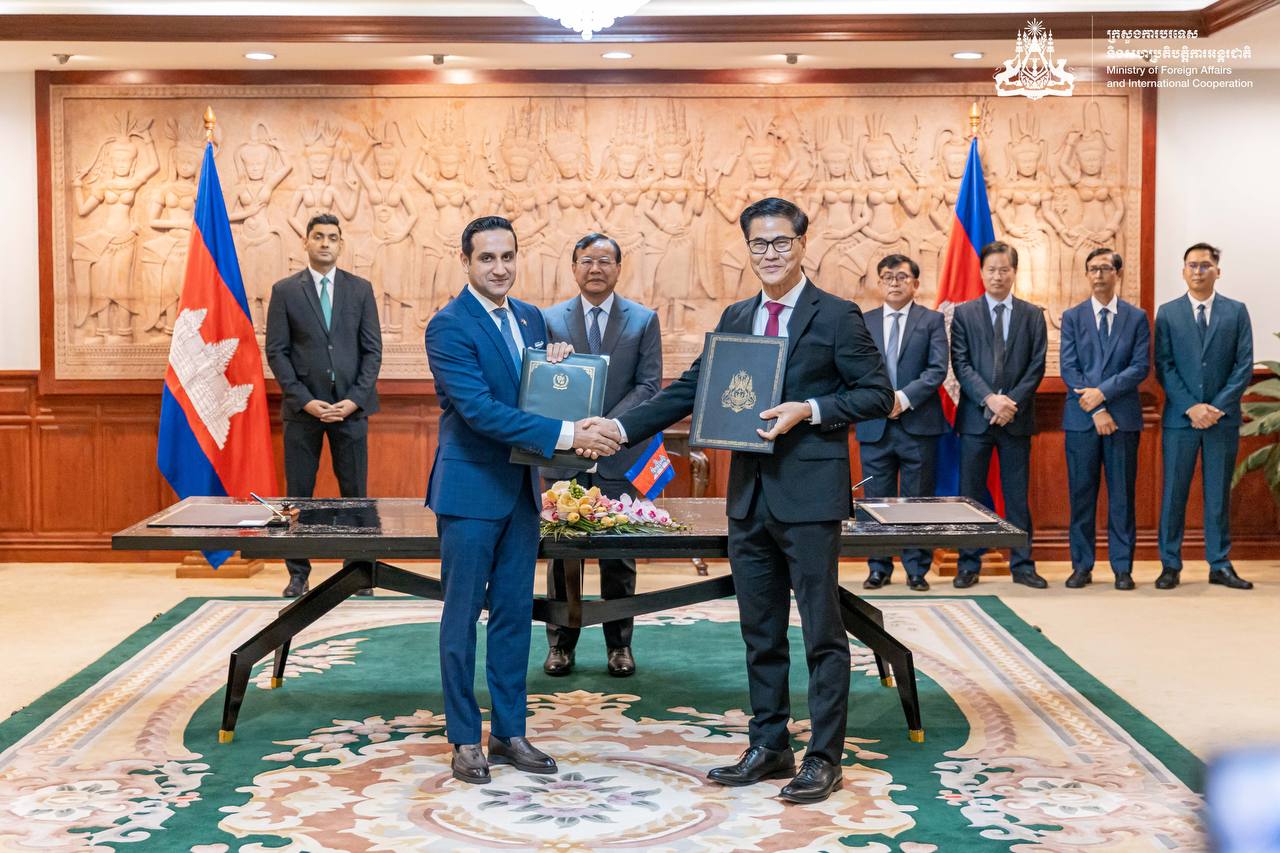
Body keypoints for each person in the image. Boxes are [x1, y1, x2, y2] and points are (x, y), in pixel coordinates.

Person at [592, 197, 893, 805]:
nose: (771, 254)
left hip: (809, 497)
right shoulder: (736, 315)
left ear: (803, 244)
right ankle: (770, 743)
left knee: (821, 632)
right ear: (747, 248)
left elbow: (877, 394)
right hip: (749, 497)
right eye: (760, 244)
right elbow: (690, 388)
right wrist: (622, 429)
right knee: (759, 631)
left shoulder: (837, 316)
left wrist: (808, 411)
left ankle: (824, 757)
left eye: (781, 243)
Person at [424, 215, 620, 785]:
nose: (500, 268)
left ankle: (510, 733)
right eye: (487, 258)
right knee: (461, 617)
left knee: (513, 616)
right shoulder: (449, 326)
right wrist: (568, 437)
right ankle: (464, 738)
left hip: (522, 493)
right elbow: (480, 410)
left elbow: (536, 393)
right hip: (469, 492)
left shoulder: (533, 318)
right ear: (466, 262)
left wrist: (560, 374)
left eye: (508, 256)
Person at [540, 233, 662, 678]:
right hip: (565, 452)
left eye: (605, 260)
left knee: (619, 553)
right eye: (587, 260)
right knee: (561, 552)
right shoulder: (549, 320)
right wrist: (578, 433)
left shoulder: (643, 320)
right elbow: (539, 383)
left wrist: (605, 429)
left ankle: (620, 646)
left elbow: (649, 386)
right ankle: (560, 645)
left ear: (618, 267)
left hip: (619, 452)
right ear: (573, 268)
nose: (596, 268)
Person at [265, 213, 382, 598]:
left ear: (341, 243)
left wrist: (354, 400)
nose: (326, 243)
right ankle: (298, 573)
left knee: (355, 494)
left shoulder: (360, 289)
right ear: (306, 242)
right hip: (304, 412)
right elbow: (277, 352)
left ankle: (358, 572)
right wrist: (305, 400)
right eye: (318, 237)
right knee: (299, 495)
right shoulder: (285, 290)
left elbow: (372, 351)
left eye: (333, 237)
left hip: (351, 410)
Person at [1154, 242, 1254, 590]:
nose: (1198, 271)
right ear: (1183, 270)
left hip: (1221, 420)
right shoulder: (1167, 313)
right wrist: (1191, 407)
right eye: (1192, 265)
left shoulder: (1236, 312)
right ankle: (1169, 564)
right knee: (1174, 495)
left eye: (1205, 265)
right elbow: (1163, 366)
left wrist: (1216, 408)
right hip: (1181, 420)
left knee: (1217, 495)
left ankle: (1220, 563)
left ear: (1217, 271)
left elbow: (1243, 367)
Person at [950, 240, 1048, 589]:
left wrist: (1010, 403)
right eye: (991, 269)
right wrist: (990, 399)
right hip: (977, 419)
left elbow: (1037, 366)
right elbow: (960, 363)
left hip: (1016, 420)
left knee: (1017, 495)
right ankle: (968, 563)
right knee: (971, 497)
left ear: (1014, 272)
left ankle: (1022, 564)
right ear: (981, 272)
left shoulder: (1033, 314)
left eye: (1004, 269)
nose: (997, 275)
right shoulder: (964, 313)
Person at [855, 254, 949, 592]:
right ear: (879, 283)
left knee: (917, 500)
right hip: (874, 425)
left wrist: (903, 399)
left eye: (902, 277)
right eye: (887, 277)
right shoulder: (863, 322)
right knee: (875, 502)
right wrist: (884, 400)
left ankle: (916, 569)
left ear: (915, 284)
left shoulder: (932, 321)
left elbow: (937, 370)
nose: (894, 283)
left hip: (918, 423)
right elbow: (857, 370)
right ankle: (878, 567)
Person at [1059, 249, 1150, 590]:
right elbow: (1069, 367)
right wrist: (1096, 407)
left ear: (1118, 274)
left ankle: (1122, 567)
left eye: (1105, 268)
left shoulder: (1136, 317)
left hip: (1122, 420)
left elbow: (1140, 367)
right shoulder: (1072, 316)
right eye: (1093, 269)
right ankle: (1081, 566)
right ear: (1087, 275)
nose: (1098, 275)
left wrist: (1103, 394)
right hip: (1083, 420)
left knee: (1122, 496)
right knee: (1082, 495)